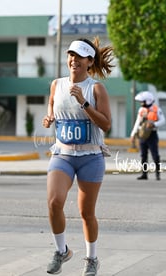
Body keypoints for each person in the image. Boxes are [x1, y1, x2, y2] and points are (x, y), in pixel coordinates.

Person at [42, 37, 114, 275]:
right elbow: (52, 103)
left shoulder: (96, 89)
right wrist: (50, 116)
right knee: (54, 203)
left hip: (90, 157)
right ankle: (61, 251)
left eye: (80, 56)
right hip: (63, 153)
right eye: (71, 55)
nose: (73, 60)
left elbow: (105, 125)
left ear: (89, 61)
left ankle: (91, 258)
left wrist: (84, 103)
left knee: (86, 213)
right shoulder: (56, 84)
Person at [130, 91, 166, 180]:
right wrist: (133, 134)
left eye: (143, 101)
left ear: (148, 101)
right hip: (142, 135)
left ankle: (157, 173)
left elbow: (163, 121)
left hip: (152, 134)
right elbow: (137, 122)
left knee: (155, 155)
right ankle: (144, 174)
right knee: (143, 155)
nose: (141, 103)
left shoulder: (157, 109)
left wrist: (154, 124)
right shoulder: (141, 110)